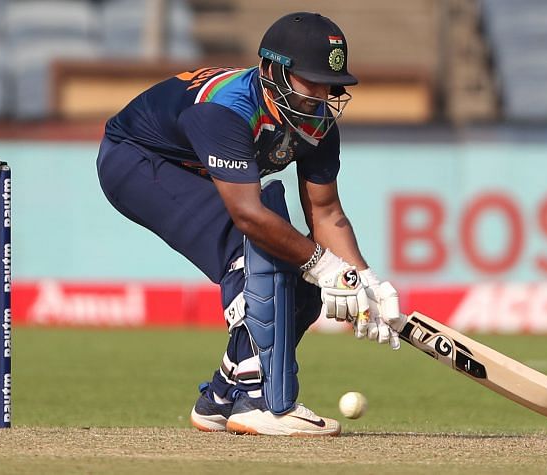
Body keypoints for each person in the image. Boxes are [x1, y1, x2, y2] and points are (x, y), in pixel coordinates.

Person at [96, 11, 401, 437]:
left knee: (304, 284)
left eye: (329, 86)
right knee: (252, 249)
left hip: (194, 171)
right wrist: (330, 267)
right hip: (137, 160)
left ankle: (222, 398)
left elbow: (327, 212)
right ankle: (259, 401)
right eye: (309, 81)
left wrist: (364, 279)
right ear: (272, 70)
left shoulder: (315, 121)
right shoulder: (226, 109)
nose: (320, 96)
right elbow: (247, 215)